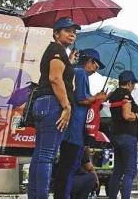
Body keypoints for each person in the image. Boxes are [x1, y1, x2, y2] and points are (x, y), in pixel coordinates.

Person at [28, 17, 79, 199]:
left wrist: (69, 62)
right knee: (47, 156)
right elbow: (55, 78)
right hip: (53, 104)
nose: (72, 33)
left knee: (40, 154)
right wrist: (66, 106)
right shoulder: (57, 49)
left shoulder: (57, 51)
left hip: (43, 103)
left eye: (74, 31)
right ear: (56, 33)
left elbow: (58, 74)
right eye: (67, 30)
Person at [54, 49, 108, 199]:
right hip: (74, 130)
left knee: (68, 166)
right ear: (90, 61)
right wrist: (97, 97)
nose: (97, 68)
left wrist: (97, 100)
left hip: (74, 129)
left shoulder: (76, 72)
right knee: (68, 167)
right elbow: (81, 99)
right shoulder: (80, 73)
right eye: (96, 64)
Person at [108, 70, 138, 199]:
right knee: (130, 171)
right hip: (127, 136)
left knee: (118, 171)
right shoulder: (126, 95)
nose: (134, 87)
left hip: (116, 135)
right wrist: (137, 116)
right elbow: (126, 115)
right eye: (133, 84)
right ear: (129, 83)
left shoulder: (113, 94)